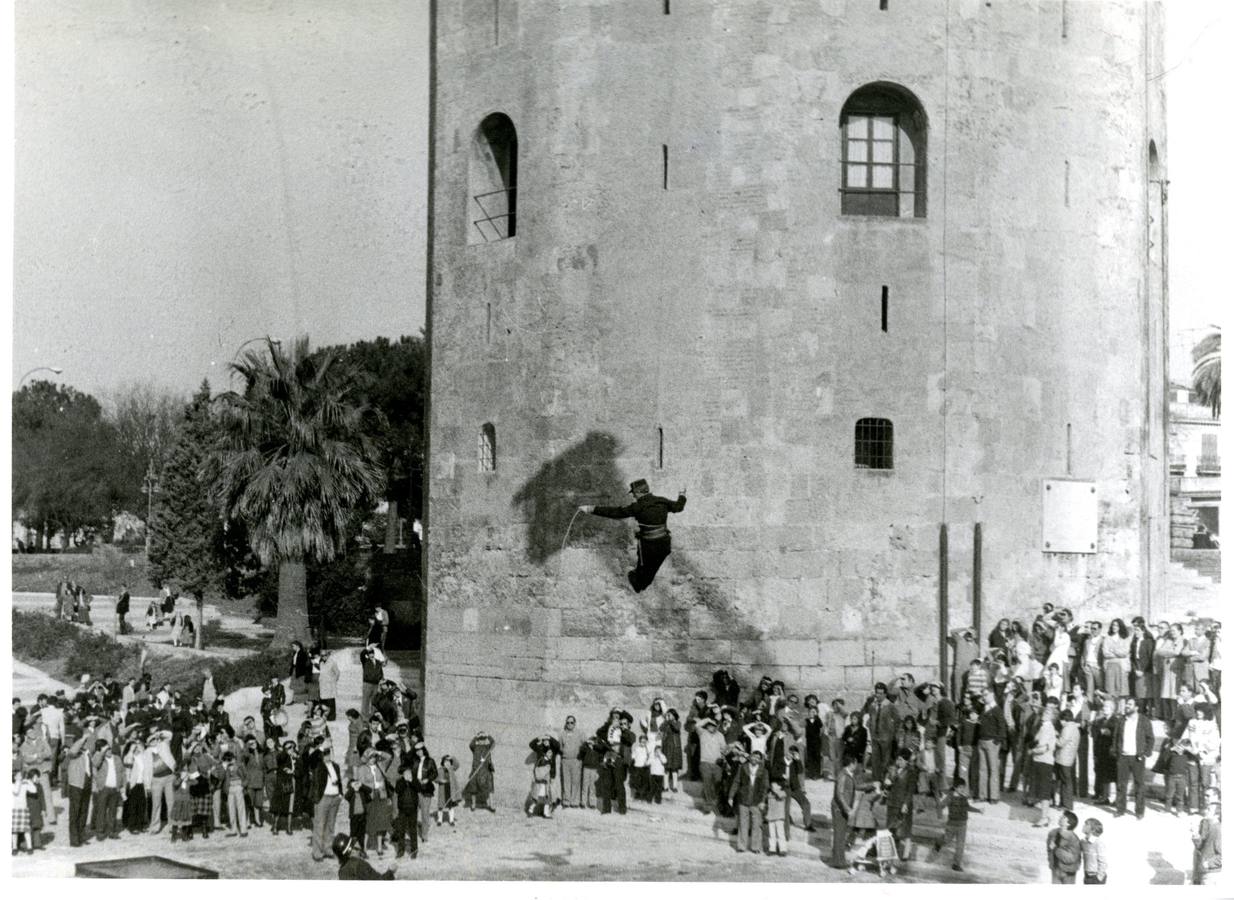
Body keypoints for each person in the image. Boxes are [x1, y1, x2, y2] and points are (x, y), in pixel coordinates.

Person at [579, 479, 687, 592]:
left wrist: (591, 509)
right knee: (649, 570)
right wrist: (682, 494)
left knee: (641, 579)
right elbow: (679, 507)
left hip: (649, 548)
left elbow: (616, 512)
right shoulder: (662, 501)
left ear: (639, 492)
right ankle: (639, 579)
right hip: (664, 545)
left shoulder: (637, 506)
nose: (634, 496)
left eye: (634, 493)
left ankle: (638, 582)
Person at [1112, 696, 1153, 819]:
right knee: (1121, 784)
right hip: (1123, 757)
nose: (1126, 706)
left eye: (1129, 704)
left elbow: (1150, 739)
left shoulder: (1144, 721)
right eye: (1126, 704)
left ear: (1136, 707)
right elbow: (1115, 737)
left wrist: (1145, 753)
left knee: (1139, 785)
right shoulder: (1121, 720)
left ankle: (1139, 811)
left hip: (1137, 758)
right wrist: (1115, 751)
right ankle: (1120, 809)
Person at [936, 776, 975, 873]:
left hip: (962, 824)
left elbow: (967, 807)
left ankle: (956, 864)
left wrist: (978, 810)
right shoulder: (950, 797)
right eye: (960, 787)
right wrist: (939, 812)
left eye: (963, 787)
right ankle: (939, 842)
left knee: (960, 845)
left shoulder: (964, 797)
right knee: (946, 840)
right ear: (955, 787)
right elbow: (941, 805)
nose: (962, 789)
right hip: (952, 824)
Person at [830, 756, 858, 869]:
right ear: (851, 763)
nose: (856, 766)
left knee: (841, 835)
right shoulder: (843, 775)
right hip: (839, 809)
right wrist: (847, 809)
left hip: (842, 809)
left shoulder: (848, 774)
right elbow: (839, 794)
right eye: (855, 763)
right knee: (839, 835)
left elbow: (855, 787)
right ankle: (838, 861)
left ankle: (840, 860)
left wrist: (870, 786)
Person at [1046, 809, 1083, 884]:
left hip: (1068, 872)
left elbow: (1071, 858)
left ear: (1068, 823)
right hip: (1056, 869)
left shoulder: (1073, 839)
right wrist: (1051, 863)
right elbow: (1049, 850)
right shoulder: (1053, 833)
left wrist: (1056, 849)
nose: (1060, 817)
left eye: (1063, 817)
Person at [463, 731, 496, 812]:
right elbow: (470, 745)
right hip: (476, 770)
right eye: (480, 739)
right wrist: (476, 736)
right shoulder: (475, 747)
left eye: (483, 739)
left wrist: (488, 735)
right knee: (473, 788)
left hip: (486, 771)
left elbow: (493, 742)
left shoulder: (488, 747)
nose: (482, 740)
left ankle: (492, 805)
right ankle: (473, 804)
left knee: (490, 788)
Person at [434, 754, 459, 826]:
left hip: (450, 789)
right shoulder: (439, 770)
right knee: (441, 806)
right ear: (442, 762)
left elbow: (457, 765)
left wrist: (453, 757)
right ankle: (439, 820)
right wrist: (440, 780)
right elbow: (435, 778)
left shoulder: (452, 768)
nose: (447, 763)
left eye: (448, 761)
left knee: (451, 805)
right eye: (445, 762)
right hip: (443, 789)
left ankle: (451, 820)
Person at [1081, 817, 1107, 884]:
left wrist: (1099, 877)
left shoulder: (1098, 843)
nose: (1083, 826)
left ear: (1092, 829)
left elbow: (1103, 862)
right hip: (1087, 876)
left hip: (1096, 878)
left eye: (1086, 824)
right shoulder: (1083, 842)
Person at [766, 780, 788, 857]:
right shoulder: (769, 794)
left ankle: (783, 849)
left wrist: (775, 790)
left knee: (780, 833)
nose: (773, 787)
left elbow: (780, 796)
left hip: (779, 817)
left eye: (775, 785)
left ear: (780, 786)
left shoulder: (782, 793)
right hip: (771, 816)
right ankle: (772, 848)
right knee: (771, 834)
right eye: (772, 786)